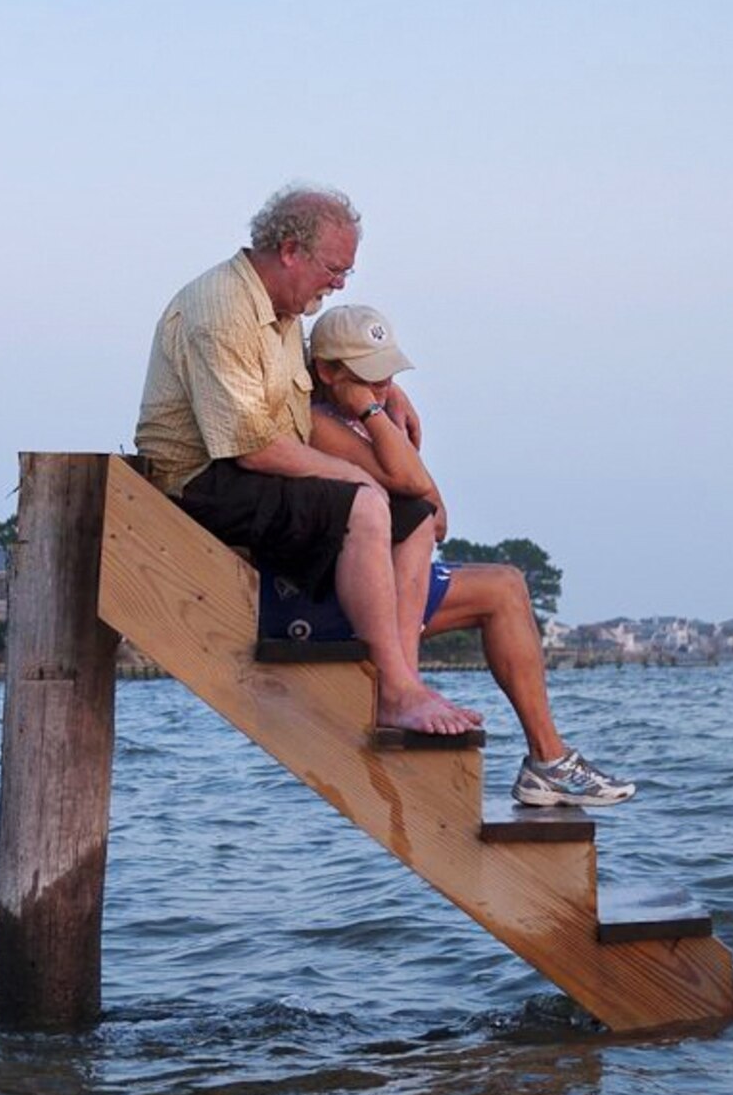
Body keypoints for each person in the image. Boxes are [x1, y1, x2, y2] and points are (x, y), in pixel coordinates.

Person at [135, 184, 478, 738]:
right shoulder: (222, 310)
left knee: (411, 515)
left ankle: (404, 681)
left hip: (251, 465)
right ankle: (393, 690)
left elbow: (309, 386)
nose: (341, 283)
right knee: (368, 504)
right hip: (202, 480)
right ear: (291, 250)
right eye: (335, 268)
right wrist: (362, 480)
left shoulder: (285, 308)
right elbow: (253, 447)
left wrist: (384, 392)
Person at [303, 302, 635, 808]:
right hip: (346, 589)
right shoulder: (316, 421)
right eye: (369, 379)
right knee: (500, 588)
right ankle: (526, 748)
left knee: (506, 585)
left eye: (388, 375)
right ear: (329, 373)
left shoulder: (363, 417)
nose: (383, 388)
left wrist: (383, 409)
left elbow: (435, 517)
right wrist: (376, 414)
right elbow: (420, 493)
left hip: (393, 573)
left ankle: (547, 761)